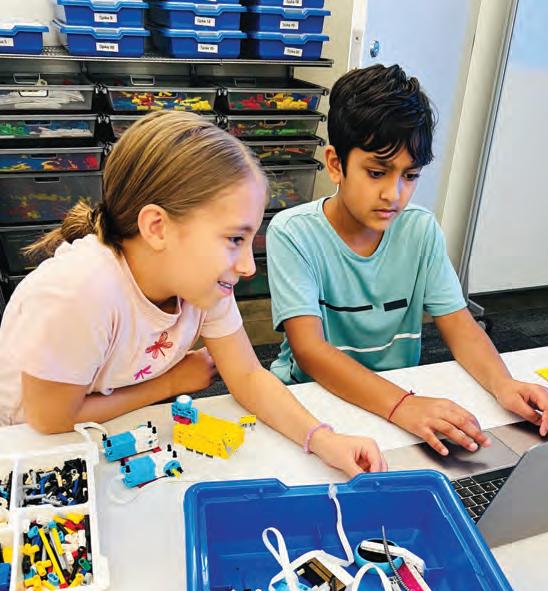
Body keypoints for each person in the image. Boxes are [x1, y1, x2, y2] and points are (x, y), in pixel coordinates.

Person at [0, 112, 385, 478]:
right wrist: (169, 383)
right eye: (234, 239)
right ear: (157, 227)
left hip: (106, 428)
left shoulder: (202, 284)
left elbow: (248, 375)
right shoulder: (80, 291)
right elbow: (51, 420)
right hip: (27, 448)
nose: (248, 266)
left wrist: (323, 439)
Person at [266, 64, 548, 456]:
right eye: (377, 172)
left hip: (399, 396)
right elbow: (310, 351)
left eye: (410, 176)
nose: (394, 194)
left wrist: (503, 384)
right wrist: (402, 406)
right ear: (336, 165)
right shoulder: (293, 233)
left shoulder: (420, 230)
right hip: (311, 401)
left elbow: (459, 324)